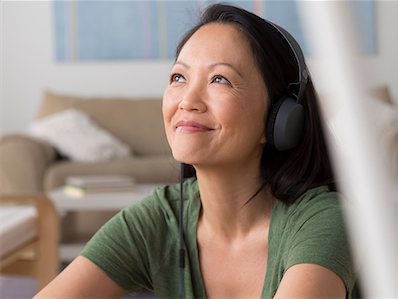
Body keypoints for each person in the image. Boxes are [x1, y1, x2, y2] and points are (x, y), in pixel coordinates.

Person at [34, 3, 355, 298]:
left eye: (220, 79)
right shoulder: (159, 219)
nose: (187, 101)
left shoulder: (323, 220)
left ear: (279, 118)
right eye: (178, 77)